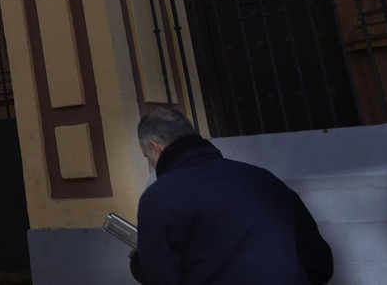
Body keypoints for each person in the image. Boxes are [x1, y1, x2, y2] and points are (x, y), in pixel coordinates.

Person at [130, 107, 332, 285]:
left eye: (148, 157)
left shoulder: (160, 197)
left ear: (155, 148)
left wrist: (141, 264)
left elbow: (161, 278)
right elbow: (319, 263)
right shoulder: (264, 179)